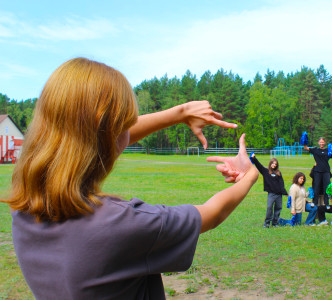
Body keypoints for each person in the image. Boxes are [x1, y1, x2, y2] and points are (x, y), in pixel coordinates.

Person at [1, 58, 259, 300]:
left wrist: (179, 113)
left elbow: (97, 138)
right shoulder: (120, 225)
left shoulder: (23, 199)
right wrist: (249, 175)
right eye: (125, 124)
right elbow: (211, 214)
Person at [304, 137, 332, 225]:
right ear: (318, 142)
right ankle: (314, 202)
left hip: (326, 171)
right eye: (320, 142)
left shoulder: (327, 151)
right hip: (317, 171)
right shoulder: (315, 150)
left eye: (323, 142)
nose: (322, 143)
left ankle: (326, 203)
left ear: (325, 142)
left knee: (327, 187)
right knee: (316, 187)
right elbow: (306, 148)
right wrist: (304, 142)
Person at [250, 155, 288, 227]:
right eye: (273, 163)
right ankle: (267, 223)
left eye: (275, 164)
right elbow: (259, 165)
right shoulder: (266, 171)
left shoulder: (278, 173)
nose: (274, 165)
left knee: (278, 208)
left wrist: (284, 192)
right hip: (271, 194)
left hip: (279, 195)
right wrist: (253, 158)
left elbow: (281, 183)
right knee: (269, 207)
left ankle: (275, 223)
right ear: (270, 164)